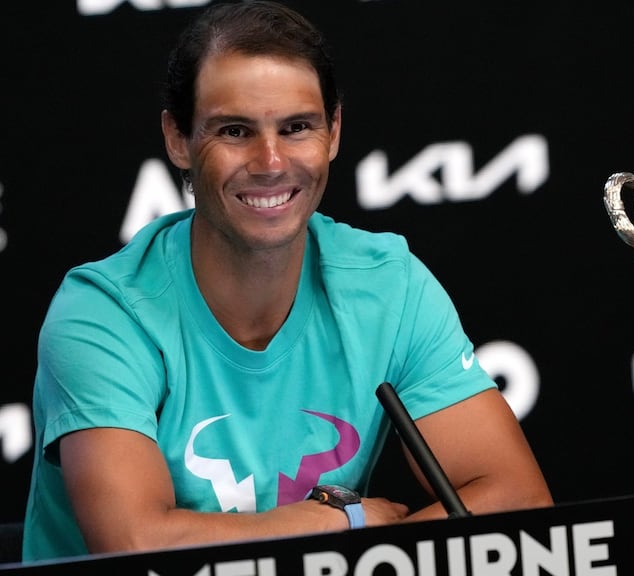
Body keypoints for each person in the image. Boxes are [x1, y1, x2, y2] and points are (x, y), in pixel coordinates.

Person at [21, 0, 552, 563]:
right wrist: (340, 521)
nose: (271, 162)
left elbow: (516, 498)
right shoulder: (104, 314)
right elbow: (135, 544)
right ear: (177, 138)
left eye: (297, 128)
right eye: (235, 130)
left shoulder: (389, 286)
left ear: (334, 131)